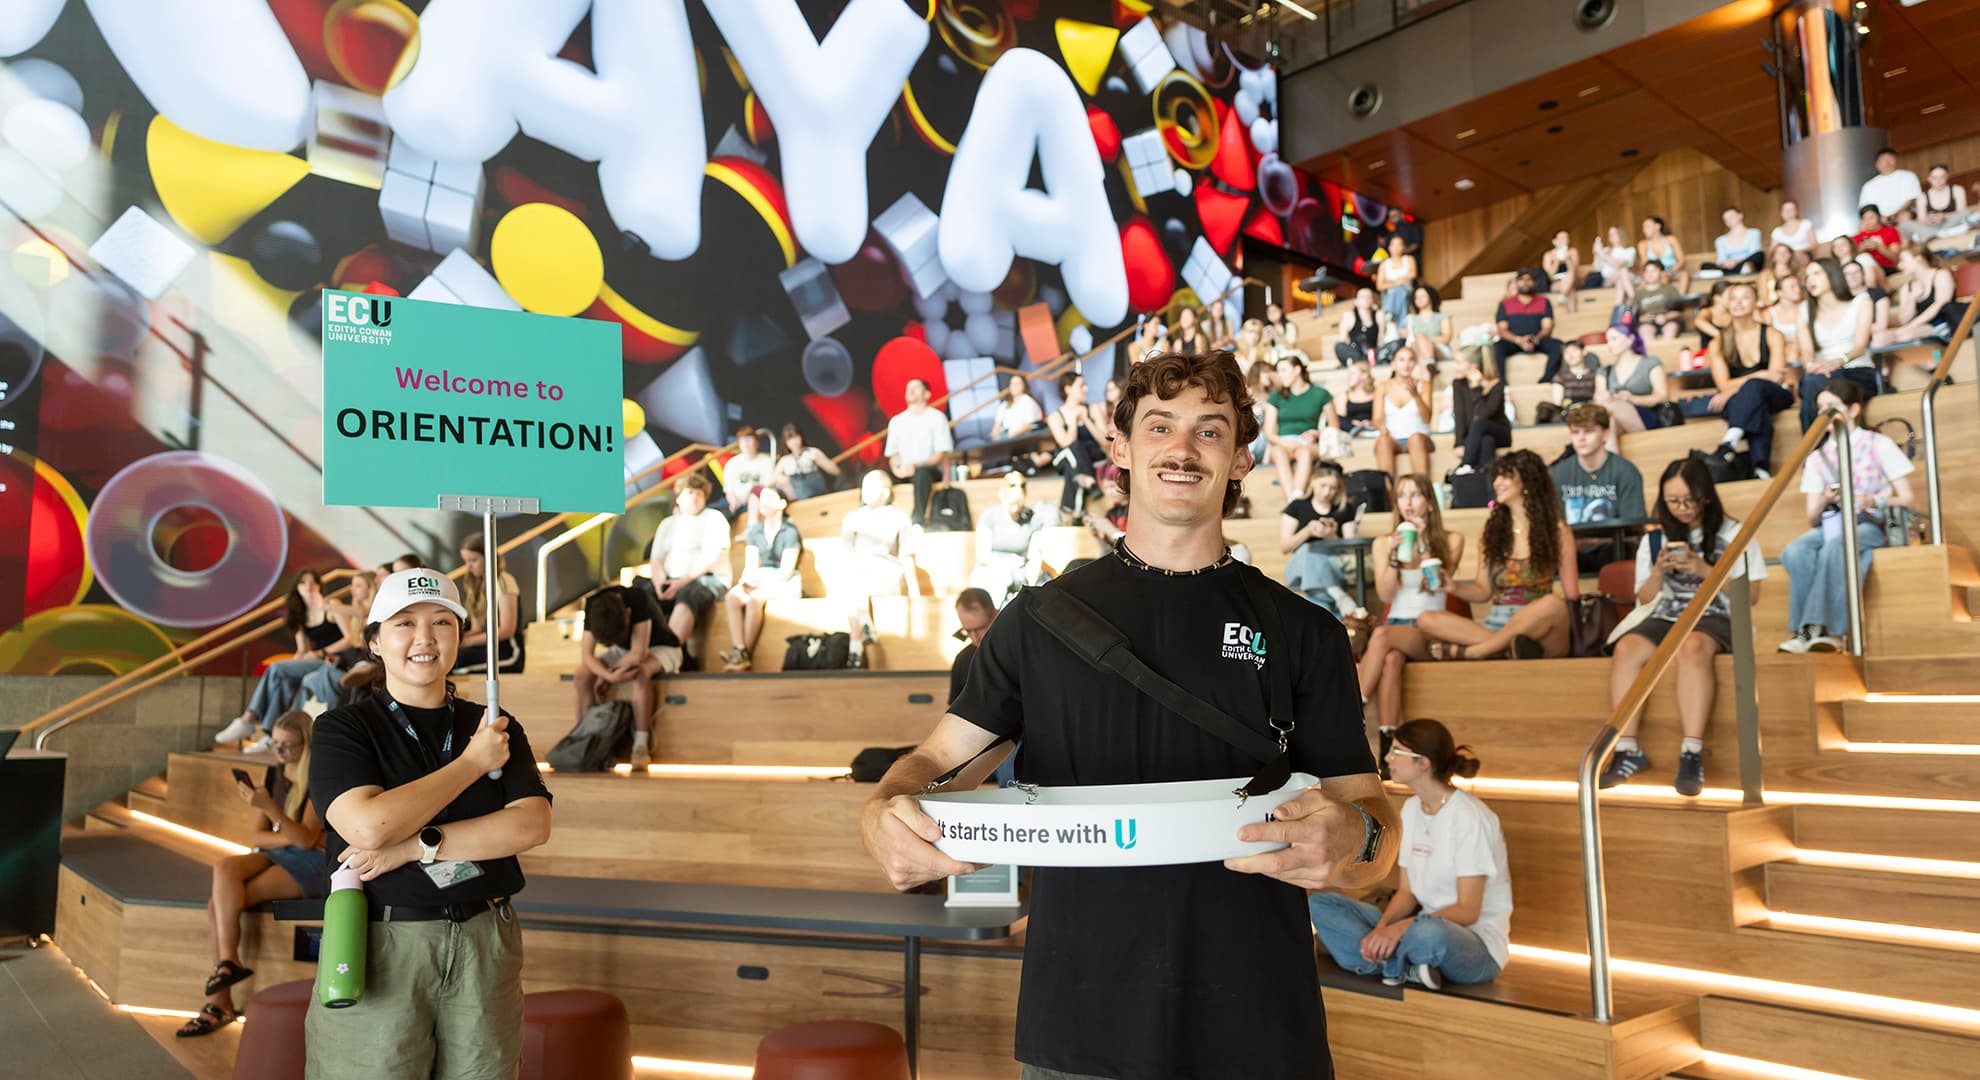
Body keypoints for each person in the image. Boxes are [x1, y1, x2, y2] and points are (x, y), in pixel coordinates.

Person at [860, 349, 1397, 1080]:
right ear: (1120, 447)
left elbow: (1374, 833)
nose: (1182, 449)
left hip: (1260, 1028)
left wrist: (1357, 843)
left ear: (1242, 457)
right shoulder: (1039, 620)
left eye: (1210, 431)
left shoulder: (1303, 630)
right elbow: (935, 761)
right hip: (1078, 1031)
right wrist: (882, 811)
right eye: (1160, 426)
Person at [306, 569, 552, 1077]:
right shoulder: (343, 729)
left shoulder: (493, 725)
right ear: (374, 641)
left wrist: (414, 847)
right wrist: (470, 765)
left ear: (460, 637)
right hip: (383, 939)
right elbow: (369, 828)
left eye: (442, 622)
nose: (425, 637)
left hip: (487, 935)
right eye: (404, 623)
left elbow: (530, 826)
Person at [1601, 458, 1767, 795]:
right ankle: (1627, 748)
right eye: (1672, 501)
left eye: (1687, 500)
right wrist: (1659, 572)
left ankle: (1692, 752)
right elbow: (1644, 598)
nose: (1681, 509)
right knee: (1627, 648)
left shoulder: (1735, 534)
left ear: (1705, 496)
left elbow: (1750, 596)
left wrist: (1703, 569)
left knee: (1692, 646)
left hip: (1718, 615)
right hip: (1667, 613)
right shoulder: (1654, 540)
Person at [1309, 718, 1508, 990]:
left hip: (1473, 943)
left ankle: (1389, 963)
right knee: (1321, 905)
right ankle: (1410, 966)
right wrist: (1383, 929)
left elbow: (1468, 910)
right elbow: (1406, 893)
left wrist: (1399, 929)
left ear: (1423, 763)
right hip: (1416, 926)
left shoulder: (1470, 817)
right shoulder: (1411, 810)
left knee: (1429, 933)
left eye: (1397, 751)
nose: (1388, 757)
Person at [176, 710, 325, 1037]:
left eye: (289, 746)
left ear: (307, 745)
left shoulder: (317, 776)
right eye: (276, 744)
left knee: (219, 905)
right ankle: (228, 963)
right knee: (224, 867)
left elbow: (307, 840)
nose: (280, 752)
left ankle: (220, 1000)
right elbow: (258, 837)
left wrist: (274, 813)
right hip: (284, 852)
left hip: (316, 863)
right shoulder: (274, 774)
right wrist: (290, 833)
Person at [1780, 378, 1915, 654]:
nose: (1824, 415)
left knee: (1837, 545)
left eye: (1832, 407)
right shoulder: (1817, 458)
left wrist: (1872, 499)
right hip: (1832, 523)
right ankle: (1803, 630)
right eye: (1820, 408)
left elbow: (1908, 498)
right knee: (1794, 550)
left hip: (1870, 524)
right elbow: (1812, 517)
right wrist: (1826, 500)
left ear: (1853, 410)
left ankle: (1824, 630)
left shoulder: (1878, 444)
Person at [1418, 450, 1578, 660]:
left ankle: (1476, 651)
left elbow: (1572, 595)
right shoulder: (1491, 532)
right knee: (1426, 619)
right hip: (1497, 622)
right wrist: (1452, 586)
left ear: (1528, 481)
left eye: (1506, 476)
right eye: (1496, 476)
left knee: (1553, 604)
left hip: (1540, 627)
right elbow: (1483, 591)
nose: (1497, 483)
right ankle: (1505, 647)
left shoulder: (1557, 530)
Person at [1354, 475, 1462, 764]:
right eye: (1402, 496)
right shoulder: (1383, 542)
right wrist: (1392, 557)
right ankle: (1388, 749)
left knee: (1381, 636)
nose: (1408, 503)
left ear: (1429, 501)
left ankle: (1352, 707)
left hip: (1429, 629)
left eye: (1415, 495)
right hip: (1398, 628)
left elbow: (1436, 584)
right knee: (1390, 661)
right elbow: (1386, 594)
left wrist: (1424, 544)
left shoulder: (1451, 540)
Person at [214, 569, 350, 749]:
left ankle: (248, 718)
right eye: (303, 582)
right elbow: (302, 650)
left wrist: (321, 653)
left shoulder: (331, 605)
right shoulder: (300, 615)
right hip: (313, 662)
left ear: (319, 586)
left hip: (333, 661)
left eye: (313, 582)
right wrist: (295, 663)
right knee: (283, 680)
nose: (308, 586)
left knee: (276, 668)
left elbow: (351, 639)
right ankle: (270, 734)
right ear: (297, 588)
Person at [1703, 281, 1794, 475]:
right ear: (1726, 304)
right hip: (1742, 401)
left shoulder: (1771, 334)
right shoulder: (1717, 342)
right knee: (1754, 401)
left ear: (1756, 302)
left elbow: (1776, 377)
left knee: (1753, 388)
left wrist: (1757, 380)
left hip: (1775, 395)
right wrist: (1761, 374)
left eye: (1745, 297)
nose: (1738, 303)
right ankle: (1761, 468)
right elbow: (1723, 384)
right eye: (1733, 298)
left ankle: (1730, 441)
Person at [576, 583, 670, 768]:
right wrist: (606, 674)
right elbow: (587, 655)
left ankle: (640, 745)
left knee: (639, 672)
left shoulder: (637, 598)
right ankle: (583, 738)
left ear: (628, 613)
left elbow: (638, 654)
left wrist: (605, 675)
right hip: (621, 650)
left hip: (660, 647)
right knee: (581, 675)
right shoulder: (592, 604)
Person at [646, 472, 732, 658]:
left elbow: (712, 556)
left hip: (707, 580)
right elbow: (657, 560)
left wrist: (682, 582)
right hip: (671, 580)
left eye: (699, 494)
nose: (694, 497)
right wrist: (660, 585)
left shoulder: (714, 518)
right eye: (690, 492)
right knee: (643, 595)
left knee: (689, 594)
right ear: (678, 498)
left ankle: (667, 655)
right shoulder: (667, 524)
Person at [717, 486, 803, 672]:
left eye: (769, 497)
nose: (763, 501)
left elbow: (786, 571)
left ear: (782, 503)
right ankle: (740, 649)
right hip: (761, 577)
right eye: (761, 497)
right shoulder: (755, 531)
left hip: (782, 580)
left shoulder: (790, 531)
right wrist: (746, 581)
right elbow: (751, 565)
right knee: (733, 596)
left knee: (755, 599)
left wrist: (760, 584)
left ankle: (740, 654)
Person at [841, 469, 917, 670]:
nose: (865, 491)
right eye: (864, 486)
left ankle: (855, 647)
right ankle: (862, 632)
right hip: (861, 573)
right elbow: (848, 552)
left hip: (887, 571)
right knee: (853, 580)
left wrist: (914, 590)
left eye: (871, 487)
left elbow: (906, 555)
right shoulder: (852, 517)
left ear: (885, 492)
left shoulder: (899, 517)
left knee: (855, 585)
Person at [1798, 257, 1877, 430]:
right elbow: (1806, 350)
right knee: (1813, 381)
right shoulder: (1804, 309)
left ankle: (1812, 452)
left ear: (1833, 275)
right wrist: (1812, 365)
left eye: (1817, 273)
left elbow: (1860, 347)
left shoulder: (1861, 301)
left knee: (1812, 387)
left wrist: (1836, 362)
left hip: (1857, 370)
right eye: (1807, 276)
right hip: (1821, 374)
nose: (1810, 279)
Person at [1282, 461, 1365, 618]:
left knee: (1316, 598)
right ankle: (1338, 595)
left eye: (1333, 488)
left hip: (1333, 568)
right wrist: (1308, 531)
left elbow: (1350, 547)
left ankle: (1328, 610)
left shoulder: (1345, 509)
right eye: (1323, 485)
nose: (1327, 492)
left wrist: (1331, 537)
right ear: (1313, 481)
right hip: (1298, 569)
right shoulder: (1297, 507)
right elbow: (1285, 547)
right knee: (1309, 550)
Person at [1551, 405, 1645, 525]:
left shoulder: (1626, 472)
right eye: (1575, 432)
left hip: (1616, 543)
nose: (1581, 438)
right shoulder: (1557, 474)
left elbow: (1634, 526)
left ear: (1605, 434)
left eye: (1588, 431)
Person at [1263, 352, 1338, 503]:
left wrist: (1317, 434)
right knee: (1278, 452)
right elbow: (1269, 432)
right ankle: (1294, 502)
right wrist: (1288, 443)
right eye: (1278, 371)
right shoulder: (1276, 396)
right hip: (1283, 442)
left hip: (1309, 443)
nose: (1279, 375)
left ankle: (1296, 496)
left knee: (1304, 452)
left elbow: (1334, 425)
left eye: (1283, 370)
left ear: (1297, 370)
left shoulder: (1320, 394)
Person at [970, 473, 1049, 601]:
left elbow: (1035, 556)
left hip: (1019, 568)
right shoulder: (989, 516)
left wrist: (1031, 583)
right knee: (987, 578)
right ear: (1003, 497)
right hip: (991, 565)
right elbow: (982, 555)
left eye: (1019, 504)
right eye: (1011, 503)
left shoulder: (1033, 519)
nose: (1015, 508)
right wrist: (1005, 562)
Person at [885, 377, 954, 525]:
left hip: (928, 470)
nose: (910, 390)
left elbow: (941, 454)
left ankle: (917, 521)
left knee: (922, 474)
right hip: (903, 471)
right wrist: (897, 469)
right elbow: (893, 454)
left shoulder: (937, 418)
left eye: (916, 388)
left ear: (927, 394)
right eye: (908, 388)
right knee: (875, 475)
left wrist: (915, 466)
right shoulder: (896, 421)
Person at [1596, 320, 1670, 447]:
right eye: (1607, 340)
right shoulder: (1604, 371)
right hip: (1612, 417)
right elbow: (1599, 399)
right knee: (1610, 421)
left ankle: (1650, 446)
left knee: (1611, 409)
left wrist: (1631, 398)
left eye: (1614, 339)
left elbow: (1663, 396)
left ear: (1630, 339)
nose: (1609, 344)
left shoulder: (1650, 363)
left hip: (1646, 415)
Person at [454, 534, 520, 675]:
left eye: (473, 560)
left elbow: (507, 630)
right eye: (466, 561)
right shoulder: (475, 583)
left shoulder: (503, 580)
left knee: (455, 659)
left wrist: (466, 643)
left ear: (488, 557)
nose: (469, 566)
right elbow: (477, 628)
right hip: (486, 647)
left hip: (507, 652)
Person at [1878, 244, 1965, 346]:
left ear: (1918, 259)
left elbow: (1940, 305)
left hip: (1945, 322)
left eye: (1903, 261)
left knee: (1904, 336)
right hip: (1922, 325)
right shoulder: (1907, 288)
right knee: (1880, 338)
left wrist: (1910, 327)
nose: (1899, 266)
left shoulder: (1941, 275)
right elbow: (1904, 320)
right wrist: (1911, 299)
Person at [1047, 371, 1109, 514]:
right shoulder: (1055, 416)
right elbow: (1066, 443)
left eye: (1085, 385)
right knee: (1075, 447)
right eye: (1081, 386)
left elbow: (1105, 442)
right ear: (1068, 389)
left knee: (1075, 468)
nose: (1086, 389)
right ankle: (1089, 483)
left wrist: (1086, 419)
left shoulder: (1092, 408)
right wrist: (1073, 421)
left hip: (1091, 457)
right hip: (1065, 457)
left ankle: (1073, 508)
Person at [1493, 269, 1564, 384]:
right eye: (1521, 280)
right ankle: (1502, 382)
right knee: (1498, 347)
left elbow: (1547, 327)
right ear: (1516, 282)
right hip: (1514, 341)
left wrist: (1535, 339)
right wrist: (1519, 340)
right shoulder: (1505, 303)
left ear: (1534, 283)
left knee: (1557, 346)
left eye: (1529, 280)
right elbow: (1502, 330)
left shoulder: (1543, 301)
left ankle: (1547, 379)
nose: (1525, 283)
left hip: (1537, 340)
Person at [1374, 346, 1433, 482]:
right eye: (1401, 360)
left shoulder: (1424, 385)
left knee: (1415, 439)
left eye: (1411, 360)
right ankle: (1388, 495)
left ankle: (1422, 487)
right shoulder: (1383, 386)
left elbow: (1427, 418)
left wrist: (1416, 395)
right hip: (1394, 439)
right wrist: (1382, 428)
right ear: (1393, 363)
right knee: (1382, 441)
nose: (1406, 364)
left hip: (1420, 438)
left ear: (1415, 364)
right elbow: (1377, 419)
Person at [1451, 346, 1509, 475]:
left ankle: (1466, 464)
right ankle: (1485, 478)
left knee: (1479, 424)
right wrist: (1459, 443)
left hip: (1500, 432)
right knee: (1486, 441)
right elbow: (1459, 415)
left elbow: (1483, 415)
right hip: (1476, 436)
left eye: (1459, 363)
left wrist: (1477, 389)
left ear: (1473, 366)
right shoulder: (1458, 384)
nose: (1455, 367)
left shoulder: (1496, 385)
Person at [948, 587, 997, 706]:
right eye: (968, 631)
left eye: (980, 629)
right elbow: (954, 710)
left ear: (996, 615)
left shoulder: (1018, 651)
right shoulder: (963, 659)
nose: (975, 639)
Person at [722, 426, 777, 521]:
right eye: (742, 441)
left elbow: (768, 486)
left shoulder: (766, 461)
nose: (746, 444)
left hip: (759, 501)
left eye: (749, 440)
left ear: (756, 442)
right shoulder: (732, 463)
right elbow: (728, 489)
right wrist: (733, 501)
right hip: (736, 502)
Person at [774, 422, 840, 502]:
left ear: (801, 437)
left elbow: (835, 470)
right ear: (785, 442)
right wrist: (785, 479)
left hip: (819, 495)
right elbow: (775, 478)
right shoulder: (785, 460)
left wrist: (820, 460)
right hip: (800, 499)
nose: (794, 442)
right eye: (789, 439)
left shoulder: (812, 452)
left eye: (796, 437)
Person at [1858, 147, 1922, 221]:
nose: (1887, 163)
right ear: (1877, 164)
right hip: (1879, 220)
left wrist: (1895, 215)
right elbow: (1865, 208)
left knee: (1905, 216)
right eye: (1883, 160)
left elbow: (1912, 199)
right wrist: (1880, 218)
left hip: (1902, 214)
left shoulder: (1908, 176)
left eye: (1890, 159)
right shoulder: (1868, 186)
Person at [1906, 163, 1968, 240]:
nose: (1938, 181)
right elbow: (1921, 220)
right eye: (1934, 178)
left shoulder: (1957, 190)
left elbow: (1961, 212)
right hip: (1932, 226)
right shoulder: (1922, 196)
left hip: (1951, 223)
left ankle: (1937, 233)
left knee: (1966, 213)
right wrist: (1929, 220)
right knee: (1905, 224)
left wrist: (1944, 216)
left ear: (1947, 177)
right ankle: (1938, 233)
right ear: (1929, 178)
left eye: (1942, 177)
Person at [1331, 287, 1385, 368]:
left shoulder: (1379, 315)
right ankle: (1361, 362)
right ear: (1356, 301)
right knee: (1339, 346)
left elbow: (1381, 338)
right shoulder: (1349, 316)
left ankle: (1374, 361)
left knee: (1399, 343)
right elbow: (1343, 340)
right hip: (1356, 355)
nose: (1366, 299)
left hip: (1373, 354)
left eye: (1369, 297)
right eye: (1363, 297)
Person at [1631, 260, 1684, 339]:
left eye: (1653, 271)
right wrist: (1643, 318)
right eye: (1647, 271)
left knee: (1671, 328)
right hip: (1647, 323)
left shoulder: (1670, 289)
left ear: (1660, 272)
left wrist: (1665, 317)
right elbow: (1634, 316)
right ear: (1643, 274)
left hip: (1669, 320)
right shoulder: (1639, 294)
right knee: (1644, 330)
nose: (1650, 274)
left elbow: (1679, 312)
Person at [1638, 216, 1689, 294]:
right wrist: (1658, 273)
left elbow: (1681, 260)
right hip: (1654, 272)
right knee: (1663, 278)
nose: (1643, 230)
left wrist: (1670, 271)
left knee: (1684, 274)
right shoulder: (1643, 244)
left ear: (1657, 226)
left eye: (1647, 227)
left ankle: (1680, 300)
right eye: (1643, 227)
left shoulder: (1671, 239)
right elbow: (1646, 264)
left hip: (1673, 269)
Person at [1404, 284, 1453, 362]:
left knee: (1420, 337)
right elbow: (1410, 339)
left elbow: (1446, 337)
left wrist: (1425, 340)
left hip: (1439, 348)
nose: (1419, 299)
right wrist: (1422, 341)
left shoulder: (1442, 316)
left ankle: (1429, 363)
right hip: (1416, 348)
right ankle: (1430, 364)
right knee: (1419, 340)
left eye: (1423, 296)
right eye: (1417, 297)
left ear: (1431, 297)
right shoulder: (1410, 318)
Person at [1842, 258, 1891, 335]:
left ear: (1863, 274)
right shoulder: (1840, 298)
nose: (1852, 276)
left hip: (1873, 336)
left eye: (1857, 272)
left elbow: (1881, 326)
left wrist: (1851, 331)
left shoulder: (1877, 293)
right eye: (1847, 274)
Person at [1550, 339, 1600, 413]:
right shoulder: (1559, 376)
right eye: (1566, 352)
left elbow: (1599, 398)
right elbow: (1557, 402)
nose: (1570, 356)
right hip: (1569, 412)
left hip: (1591, 411)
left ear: (1584, 352)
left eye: (1574, 351)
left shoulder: (1596, 375)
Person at [1710, 208, 1764, 275]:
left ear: (1740, 215)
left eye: (1731, 216)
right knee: (1705, 265)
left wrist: (1736, 261)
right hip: (1729, 267)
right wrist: (1727, 263)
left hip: (1747, 264)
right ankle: (1737, 271)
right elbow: (1721, 260)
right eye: (1726, 219)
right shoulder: (1720, 240)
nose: (1729, 220)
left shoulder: (1754, 233)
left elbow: (1753, 253)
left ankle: (1741, 269)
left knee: (1759, 255)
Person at [1592, 225, 1637, 305]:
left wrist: (1601, 253)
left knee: (1621, 279)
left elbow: (1619, 265)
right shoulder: (1605, 250)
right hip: (1607, 281)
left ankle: (1618, 308)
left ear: (1621, 234)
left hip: (1624, 278)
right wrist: (1596, 254)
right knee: (1623, 272)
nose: (1611, 237)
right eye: (1610, 234)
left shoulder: (1629, 250)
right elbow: (1597, 268)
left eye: (1614, 234)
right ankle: (1635, 300)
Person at [1851, 205, 1902, 272]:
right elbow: (1850, 259)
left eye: (1871, 217)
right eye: (1865, 219)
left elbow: (1896, 258)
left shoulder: (1891, 231)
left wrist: (1878, 247)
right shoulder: (1856, 237)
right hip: (1864, 269)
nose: (1868, 221)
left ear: (1878, 217)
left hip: (1887, 268)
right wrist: (1861, 249)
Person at [1377, 239, 1417, 322]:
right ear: (1389, 247)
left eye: (1399, 245)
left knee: (1400, 290)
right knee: (1398, 290)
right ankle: (1402, 321)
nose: (1396, 247)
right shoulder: (1384, 264)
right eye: (1394, 245)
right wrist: (1398, 282)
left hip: (1407, 291)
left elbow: (1413, 274)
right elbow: (1379, 286)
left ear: (1403, 247)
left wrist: (1391, 282)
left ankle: (1390, 312)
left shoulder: (1409, 259)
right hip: (1388, 294)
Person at [1542, 230, 1580, 313]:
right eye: (1562, 238)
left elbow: (1575, 270)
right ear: (1554, 241)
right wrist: (1556, 261)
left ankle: (1562, 297)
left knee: (1570, 273)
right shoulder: (1548, 255)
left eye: (1566, 237)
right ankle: (1572, 316)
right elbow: (1549, 275)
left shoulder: (1572, 251)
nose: (1564, 240)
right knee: (1571, 291)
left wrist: (1568, 259)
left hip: (1572, 279)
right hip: (1556, 282)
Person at [1340, 362, 1377, 437]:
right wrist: (1352, 422)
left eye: (1352, 374)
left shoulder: (1376, 394)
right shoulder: (1345, 396)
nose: (1348, 377)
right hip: (1351, 428)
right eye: (1348, 374)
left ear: (1364, 375)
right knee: (1337, 418)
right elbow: (1340, 418)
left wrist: (1370, 422)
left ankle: (1362, 431)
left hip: (1371, 427)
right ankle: (1357, 431)